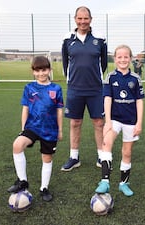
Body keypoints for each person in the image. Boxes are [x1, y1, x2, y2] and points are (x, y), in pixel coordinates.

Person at [7, 56, 64, 202]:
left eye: (44, 70)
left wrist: (60, 130)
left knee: (47, 158)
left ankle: (44, 188)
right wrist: (23, 128)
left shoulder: (56, 89)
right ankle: (22, 181)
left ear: (49, 70)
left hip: (50, 129)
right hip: (32, 126)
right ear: (33, 72)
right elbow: (25, 109)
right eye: (37, 71)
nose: (41, 74)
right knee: (17, 145)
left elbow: (59, 111)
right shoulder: (29, 88)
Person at [61, 6, 107, 171]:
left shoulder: (100, 38)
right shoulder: (68, 38)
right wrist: (74, 78)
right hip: (75, 88)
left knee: (99, 122)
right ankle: (74, 157)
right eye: (79, 18)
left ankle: (102, 156)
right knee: (75, 122)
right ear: (75, 19)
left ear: (91, 19)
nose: (82, 21)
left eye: (85, 18)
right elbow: (66, 63)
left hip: (95, 88)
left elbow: (103, 63)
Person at [95, 45, 144, 197]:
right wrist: (108, 122)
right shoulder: (110, 77)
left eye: (126, 57)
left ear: (130, 59)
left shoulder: (135, 78)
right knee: (106, 143)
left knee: (127, 152)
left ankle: (124, 183)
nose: (123, 59)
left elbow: (139, 101)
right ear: (114, 59)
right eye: (119, 57)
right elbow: (107, 99)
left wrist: (139, 123)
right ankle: (105, 181)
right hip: (114, 119)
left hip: (131, 120)